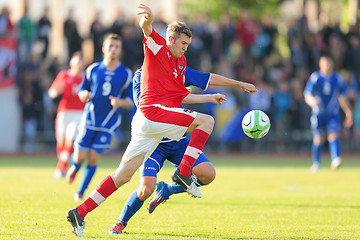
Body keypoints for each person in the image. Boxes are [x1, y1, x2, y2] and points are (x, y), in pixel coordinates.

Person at [65, 4, 236, 237]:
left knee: (122, 176)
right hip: (153, 120)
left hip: (162, 130)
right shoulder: (154, 57)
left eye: (187, 45)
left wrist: (229, 88)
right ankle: (181, 175)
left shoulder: (180, 65)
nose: (186, 49)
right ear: (172, 40)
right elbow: (146, 31)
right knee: (205, 122)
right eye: (183, 44)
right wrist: (147, 20)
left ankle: (80, 212)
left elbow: (187, 91)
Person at [108, 65, 258, 234]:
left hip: (177, 139)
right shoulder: (142, 75)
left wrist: (240, 84)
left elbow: (209, 78)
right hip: (153, 142)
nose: (183, 49)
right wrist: (193, 97)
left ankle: (167, 189)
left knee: (207, 174)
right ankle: (121, 222)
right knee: (146, 189)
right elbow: (146, 105)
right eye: (182, 44)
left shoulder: (177, 68)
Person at [65, 33, 134, 202]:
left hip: (108, 122)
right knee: (80, 156)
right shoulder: (93, 69)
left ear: (120, 50)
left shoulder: (125, 73)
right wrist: (83, 95)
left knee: (94, 156)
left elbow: (130, 102)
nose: (113, 49)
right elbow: (83, 90)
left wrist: (119, 102)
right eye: (110, 46)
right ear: (104, 48)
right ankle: (75, 166)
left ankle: (81, 191)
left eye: (116, 47)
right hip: (90, 119)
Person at [304, 54, 353, 173]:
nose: (327, 65)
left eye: (329, 62)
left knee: (333, 135)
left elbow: (342, 97)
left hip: (332, 113)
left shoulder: (337, 78)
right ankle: (316, 163)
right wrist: (313, 101)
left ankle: (336, 159)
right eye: (325, 63)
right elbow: (307, 94)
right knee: (318, 138)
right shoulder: (315, 78)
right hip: (318, 113)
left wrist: (348, 112)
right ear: (320, 64)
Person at [48, 51, 85, 178]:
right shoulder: (64, 75)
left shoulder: (86, 77)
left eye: (81, 61)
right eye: (77, 61)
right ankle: (63, 163)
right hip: (64, 111)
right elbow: (52, 91)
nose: (79, 64)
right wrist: (56, 91)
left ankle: (62, 166)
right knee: (61, 140)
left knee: (71, 138)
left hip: (79, 113)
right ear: (71, 62)